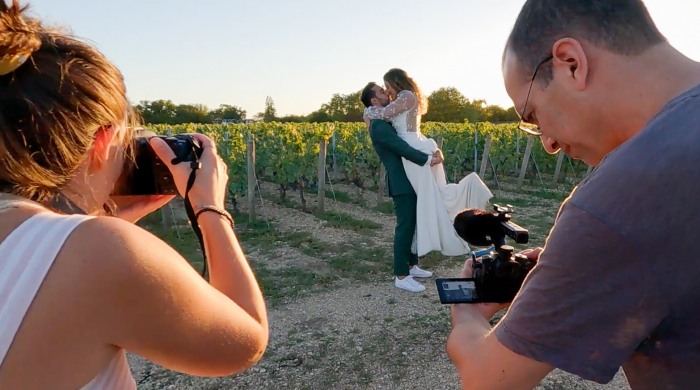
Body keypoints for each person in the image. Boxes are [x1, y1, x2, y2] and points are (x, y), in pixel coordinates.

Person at [0, 1, 268, 388]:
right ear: (102, 142)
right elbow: (245, 343)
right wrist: (209, 207)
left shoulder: (78, 245)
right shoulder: (99, 251)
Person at [446, 0, 700, 389]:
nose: (546, 142)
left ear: (570, 63)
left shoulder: (619, 199)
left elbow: (486, 378)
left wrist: (469, 314)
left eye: (532, 116)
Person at [364, 69, 493, 258]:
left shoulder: (405, 96)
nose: (387, 90)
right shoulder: (403, 98)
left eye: (387, 86)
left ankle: (453, 240)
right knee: (430, 197)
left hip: (413, 147)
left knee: (431, 197)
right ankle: (439, 245)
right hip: (415, 144)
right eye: (383, 89)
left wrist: (367, 111)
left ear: (395, 82)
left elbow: (384, 114)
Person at [361, 82, 445, 293]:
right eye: (381, 91)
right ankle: (401, 275)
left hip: (410, 177)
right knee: (405, 226)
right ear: (373, 100)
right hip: (401, 181)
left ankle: (412, 265)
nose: (385, 92)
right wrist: (427, 159)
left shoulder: (382, 118)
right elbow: (402, 147)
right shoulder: (379, 126)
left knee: (413, 223)